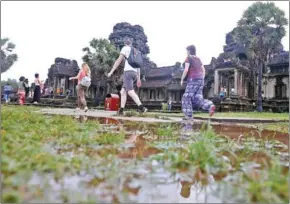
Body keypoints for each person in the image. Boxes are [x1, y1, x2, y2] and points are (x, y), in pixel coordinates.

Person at [107, 38, 147, 116]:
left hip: (128, 73)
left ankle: (142, 108)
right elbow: (138, 65)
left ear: (125, 43)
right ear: (131, 43)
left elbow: (118, 60)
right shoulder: (136, 51)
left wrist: (111, 72)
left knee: (130, 91)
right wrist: (138, 78)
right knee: (123, 92)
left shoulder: (125, 48)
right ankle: (121, 110)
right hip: (135, 74)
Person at [180, 45, 215, 120]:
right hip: (200, 80)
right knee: (197, 99)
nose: (186, 52)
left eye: (187, 51)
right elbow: (203, 70)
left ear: (189, 51)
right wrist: (202, 78)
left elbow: (186, 70)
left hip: (193, 79)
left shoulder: (188, 58)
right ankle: (209, 106)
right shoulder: (198, 59)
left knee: (186, 97)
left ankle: (188, 117)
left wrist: (182, 79)